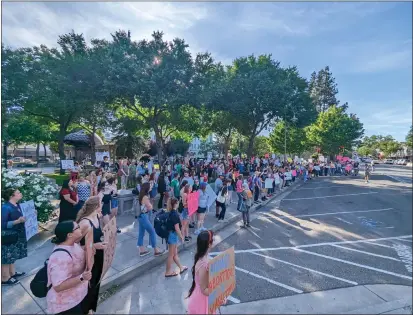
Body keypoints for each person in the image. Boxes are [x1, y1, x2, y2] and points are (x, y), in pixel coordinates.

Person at [46, 220, 92, 315]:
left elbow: (78, 254)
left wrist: (93, 247)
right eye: (77, 227)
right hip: (66, 305)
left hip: (78, 296)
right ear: (69, 235)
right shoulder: (60, 257)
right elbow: (58, 286)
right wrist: (82, 277)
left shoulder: (73, 244)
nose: (80, 228)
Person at [76, 197, 107, 315]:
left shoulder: (96, 217)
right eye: (101, 203)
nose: (102, 205)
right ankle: (86, 310)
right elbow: (74, 246)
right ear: (95, 206)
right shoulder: (84, 223)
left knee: (95, 285)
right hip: (88, 259)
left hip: (98, 257)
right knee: (88, 287)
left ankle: (90, 310)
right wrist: (95, 246)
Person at [1, 189, 27, 285]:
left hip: (16, 235)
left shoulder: (19, 205)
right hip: (7, 236)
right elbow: (2, 224)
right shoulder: (5, 207)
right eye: (18, 193)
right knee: (6, 257)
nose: (21, 193)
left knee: (12, 255)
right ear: (12, 196)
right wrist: (17, 221)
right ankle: (4, 278)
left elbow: (23, 218)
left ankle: (11, 273)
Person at [187, 230, 214, 314]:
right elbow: (204, 290)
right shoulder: (204, 264)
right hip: (202, 301)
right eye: (212, 239)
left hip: (200, 298)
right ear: (209, 244)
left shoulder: (203, 258)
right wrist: (219, 293)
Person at [137, 183, 165, 257]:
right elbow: (150, 207)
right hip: (144, 216)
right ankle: (156, 250)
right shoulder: (145, 197)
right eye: (150, 187)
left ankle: (141, 250)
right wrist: (151, 204)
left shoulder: (141, 195)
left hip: (140, 216)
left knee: (141, 233)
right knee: (152, 232)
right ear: (147, 188)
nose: (151, 188)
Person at [165, 198, 188, 277]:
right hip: (172, 236)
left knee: (174, 254)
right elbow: (177, 228)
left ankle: (181, 267)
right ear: (175, 204)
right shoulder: (174, 214)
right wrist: (181, 237)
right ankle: (167, 272)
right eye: (178, 203)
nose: (179, 204)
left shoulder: (171, 212)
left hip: (171, 235)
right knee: (171, 255)